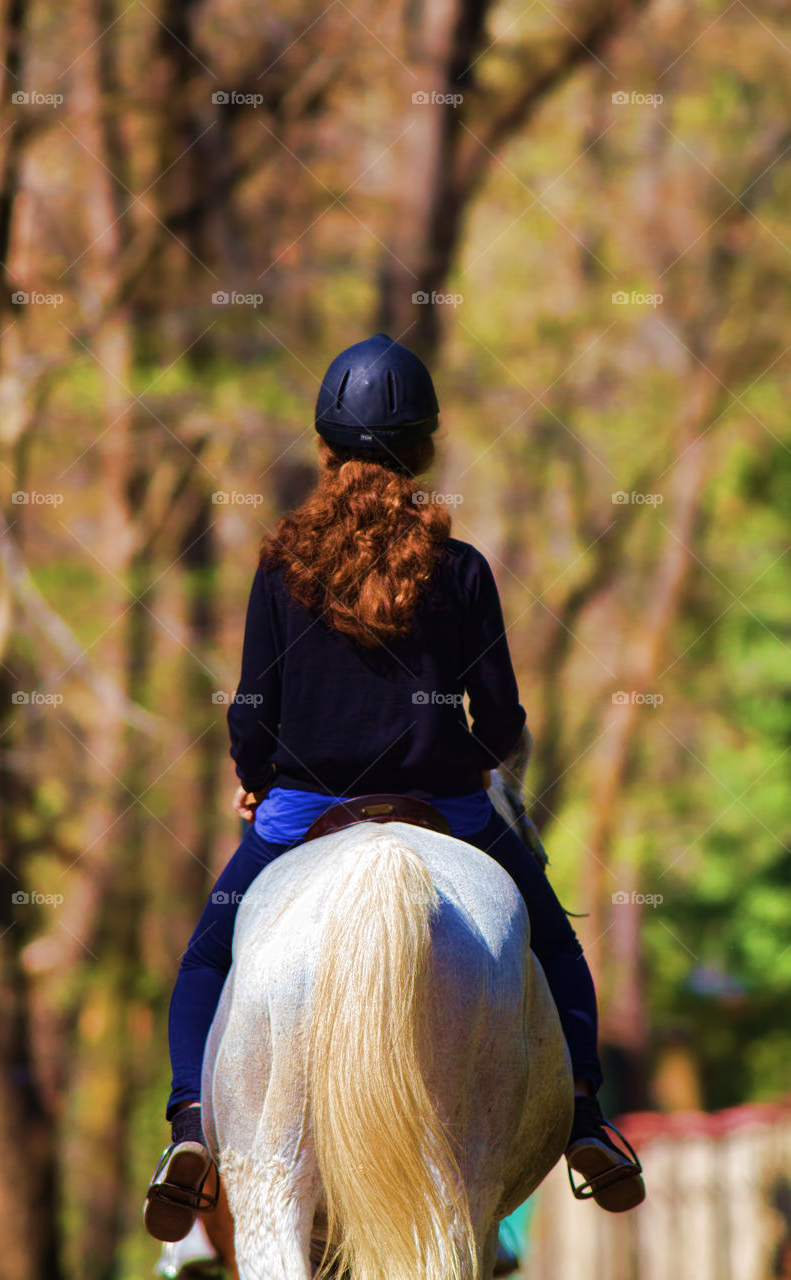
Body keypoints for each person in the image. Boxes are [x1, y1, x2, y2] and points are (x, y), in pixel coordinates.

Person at [143, 333, 645, 1244]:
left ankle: (188, 1129)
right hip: (447, 810)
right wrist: (492, 752)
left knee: (207, 961)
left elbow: (251, 709)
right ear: (424, 449)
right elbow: (496, 718)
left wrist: (255, 781)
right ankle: (580, 1123)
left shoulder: (278, 566)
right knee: (553, 945)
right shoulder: (459, 569)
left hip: (301, 809)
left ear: (323, 447)